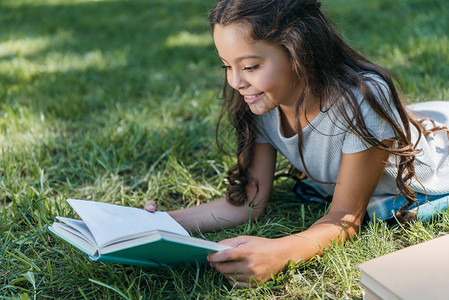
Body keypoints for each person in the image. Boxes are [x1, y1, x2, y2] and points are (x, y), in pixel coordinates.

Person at [144, 0, 449, 287]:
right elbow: (248, 203)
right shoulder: (263, 101)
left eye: (249, 67)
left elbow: (345, 217)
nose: (235, 82)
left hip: (437, 158)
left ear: (299, 52)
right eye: (226, 66)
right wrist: (160, 224)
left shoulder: (362, 102)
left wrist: (278, 253)